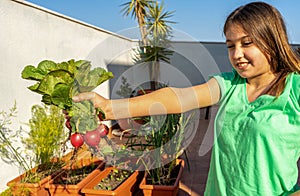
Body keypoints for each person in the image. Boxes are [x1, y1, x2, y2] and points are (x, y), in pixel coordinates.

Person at [73, 2, 300, 195]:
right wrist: (110, 108)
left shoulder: (295, 89)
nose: (236, 55)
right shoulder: (230, 84)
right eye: (231, 46)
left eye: (246, 43)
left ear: (271, 40)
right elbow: (179, 97)